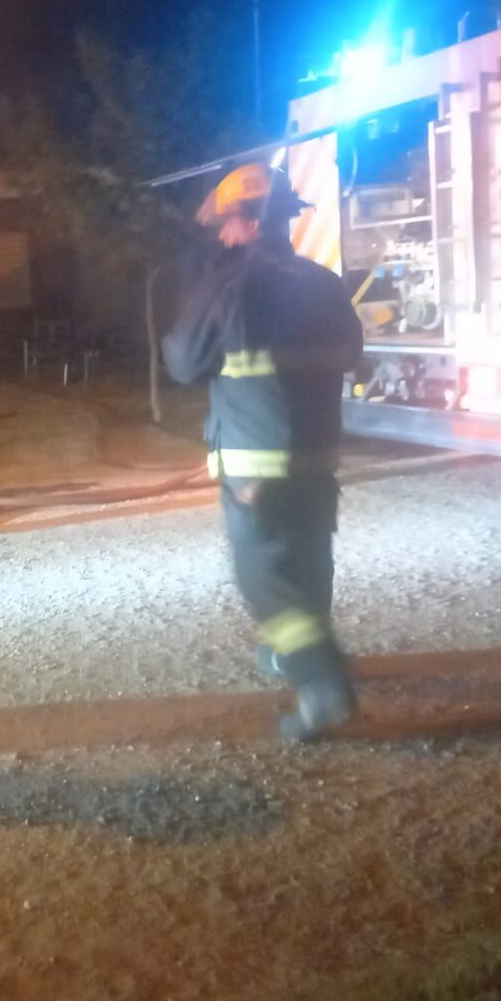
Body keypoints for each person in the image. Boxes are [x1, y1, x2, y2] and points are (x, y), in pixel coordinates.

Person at [161, 162, 364, 741]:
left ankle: (321, 685)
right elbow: (350, 351)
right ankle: (290, 656)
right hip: (318, 456)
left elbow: (182, 363)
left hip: (255, 463)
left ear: (248, 221)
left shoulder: (232, 286)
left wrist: (201, 291)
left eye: (227, 224)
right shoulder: (323, 281)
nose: (222, 236)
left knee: (265, 578)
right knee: (307, 562)